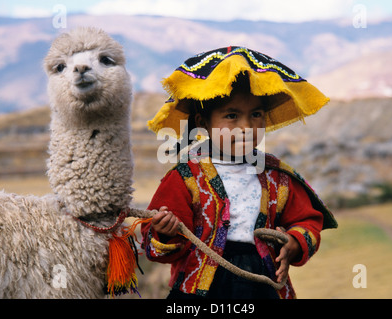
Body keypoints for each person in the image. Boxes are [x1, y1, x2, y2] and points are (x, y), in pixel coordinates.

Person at [141, 47, 337, 299]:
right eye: (232, 116)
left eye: (256, 115)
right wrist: (165, 231)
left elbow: (307, 221)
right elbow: (155, 245)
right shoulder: (184, 178)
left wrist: (294, 243)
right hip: (201, 293)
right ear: (202, 121)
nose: (246, 127)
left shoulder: (277, 177)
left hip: (264, 286)